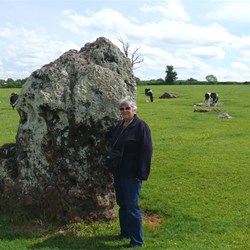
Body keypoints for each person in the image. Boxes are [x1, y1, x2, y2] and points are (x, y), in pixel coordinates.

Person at [109, 96, 153, 248]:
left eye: (128, 108)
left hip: (132, 173)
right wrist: (111, 169)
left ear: (134, 110)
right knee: (122, 204)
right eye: (122, 109)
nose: (125, 111)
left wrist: (141, 173)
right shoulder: (119, 126)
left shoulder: (141, 126)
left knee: (132, 206)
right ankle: (125, 232)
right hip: (119, 172)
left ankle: (136, 241)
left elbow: (147, 151)